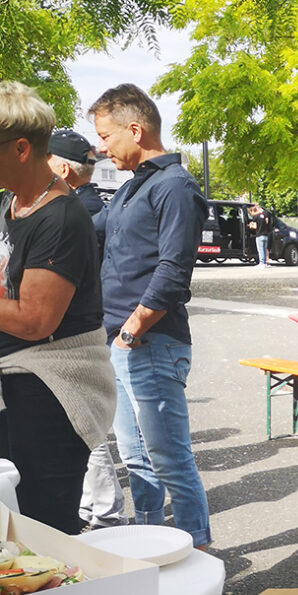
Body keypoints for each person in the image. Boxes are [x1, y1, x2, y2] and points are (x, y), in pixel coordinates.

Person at [89, 84, 212, 549]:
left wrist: (133, 328)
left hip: (150, 342)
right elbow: (87, 232)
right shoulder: (131, 188)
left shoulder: (175, 186)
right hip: (120, 341)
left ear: (135, 130)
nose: (102, 147)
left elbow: (174, 270)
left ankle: (197, 551)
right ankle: (148, 545)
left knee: (169, 458)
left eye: (106, 136)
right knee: (136, 458)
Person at [0, 81, 116, 540]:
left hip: (52, 385)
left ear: (21, 148)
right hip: (19, 378)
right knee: (14, 524)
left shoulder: (61, 217)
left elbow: (34, 320)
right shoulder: (12, 203)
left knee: (43, 530)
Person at [47, 128, 128, 530]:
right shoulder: (89, 207)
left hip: (75, 334)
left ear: (62, 168)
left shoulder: (81, 212)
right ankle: (97, 509)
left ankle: (107, 513)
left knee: (84, 426)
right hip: (84, 329)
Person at [247, 203, 272, 267]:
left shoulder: (256, 217)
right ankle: (265, 263)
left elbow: (254, 226)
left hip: (259, 235)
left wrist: (250, 225)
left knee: (260, 250)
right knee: (264, 249)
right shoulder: (265, 215)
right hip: (266, 235)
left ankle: (262, 263)